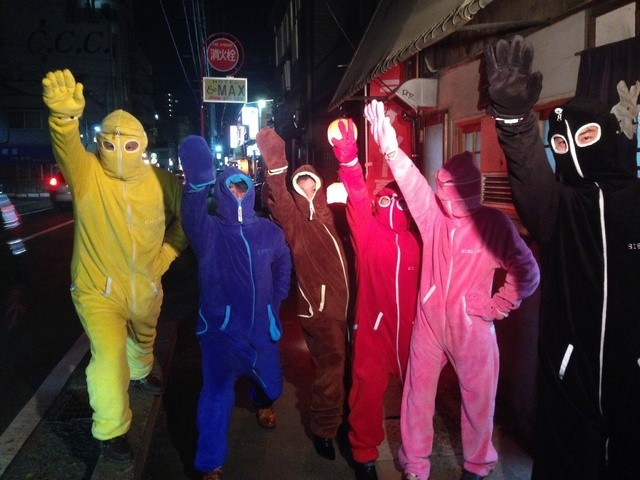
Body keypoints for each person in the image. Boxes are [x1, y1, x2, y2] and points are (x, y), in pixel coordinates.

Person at [484, 35, 640, 479]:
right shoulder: (560, 206)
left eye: (586, 136)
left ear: (608, 136)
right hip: (572, 376)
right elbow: (531, 179)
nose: (574, 151)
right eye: (561, 144)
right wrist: (515, 121)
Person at [364, 99, 540, 480]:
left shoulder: (493, 225)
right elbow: (413, 184)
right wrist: (390, 150)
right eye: (441, 188)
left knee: (479, 402)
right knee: (416, 397)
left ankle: (477, 465)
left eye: (447, 189)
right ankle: (415, 465)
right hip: (430, 325)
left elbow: (527, 271)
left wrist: (495, 306)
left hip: (472, 329)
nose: (443, 195)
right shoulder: (435, 218)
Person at [41, 69, 188, 462]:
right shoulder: (87, 173)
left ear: (142, 146)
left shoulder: (161, 181)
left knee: (144, 336)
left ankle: (141, 371)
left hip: (146, 285)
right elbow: (67, 149)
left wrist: (168, 253)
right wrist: (64, 119)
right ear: (99, 143)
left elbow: (188, 219)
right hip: (97, 289)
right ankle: (110, 430)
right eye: (109, 144)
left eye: (129, 144)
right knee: (108, 357)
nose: (119, 152)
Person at [178, 135, 292, 480]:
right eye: (231, 189)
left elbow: (283, 265)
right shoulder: (209, 232)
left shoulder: (269, 232)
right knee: (216, 395)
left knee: (272, 386)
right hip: (220, 332)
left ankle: (262, 400)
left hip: (260, 330)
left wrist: (274, 304)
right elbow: (191, 214)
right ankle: (210, 463)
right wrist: (197, 181)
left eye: (242, 188)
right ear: (222, 193)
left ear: (250, 191)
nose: (238, 194)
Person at [329, 118, 421, 480]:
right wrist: (348, 156)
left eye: (400, 200)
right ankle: (364, 457)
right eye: (385, 198)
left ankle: (416, 458)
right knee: (366, 395)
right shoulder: (367, 232)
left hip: (412, 331)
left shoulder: (418, 238)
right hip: (372, 328)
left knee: (418, 397)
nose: (393, 204)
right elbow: (356, 193)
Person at [256, 127, 350, 460]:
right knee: (332, 367)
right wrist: (275, 161)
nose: (308, 190)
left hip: (348, 308)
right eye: (302, 186)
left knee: (343, 368)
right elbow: (279, 198)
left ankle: (340, 420)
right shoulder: (295, 222)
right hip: (320, 309)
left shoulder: (332, 214)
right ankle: (324, 429)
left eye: (312, 185)